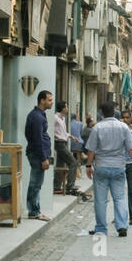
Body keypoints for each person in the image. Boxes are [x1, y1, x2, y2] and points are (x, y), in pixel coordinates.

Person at [84, 102, 132, 238]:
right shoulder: (123, 127)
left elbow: (91, 150)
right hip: (118, 166)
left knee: (100, 200)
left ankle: (101, 228)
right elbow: (131, 148)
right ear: (114, 113)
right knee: (119, 197)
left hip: (101, 166)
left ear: (102, 113)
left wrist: (88, 165)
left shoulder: (97, 127)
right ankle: (121, 226)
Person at [24, 89, 53, 222]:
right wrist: (43, 158)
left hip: (37, 153)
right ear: (42, 101)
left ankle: (35, 210)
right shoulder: (36, 117)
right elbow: (37, 139)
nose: (51, 103)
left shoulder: (39, 115)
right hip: (37, 155)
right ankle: (34, 211)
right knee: (35, 183)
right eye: (49, 100)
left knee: (37, 183)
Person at [53, 101, 79, 195]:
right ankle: (70, 186)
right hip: (59, 143)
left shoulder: (62, 119)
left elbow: (63, 132)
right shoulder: (55, 118)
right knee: (73, 162)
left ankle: (56, 186)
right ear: (63, 108)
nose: (67, 109)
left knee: (60, 165)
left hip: (63, 142)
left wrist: (71, 136)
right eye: (66, 107)